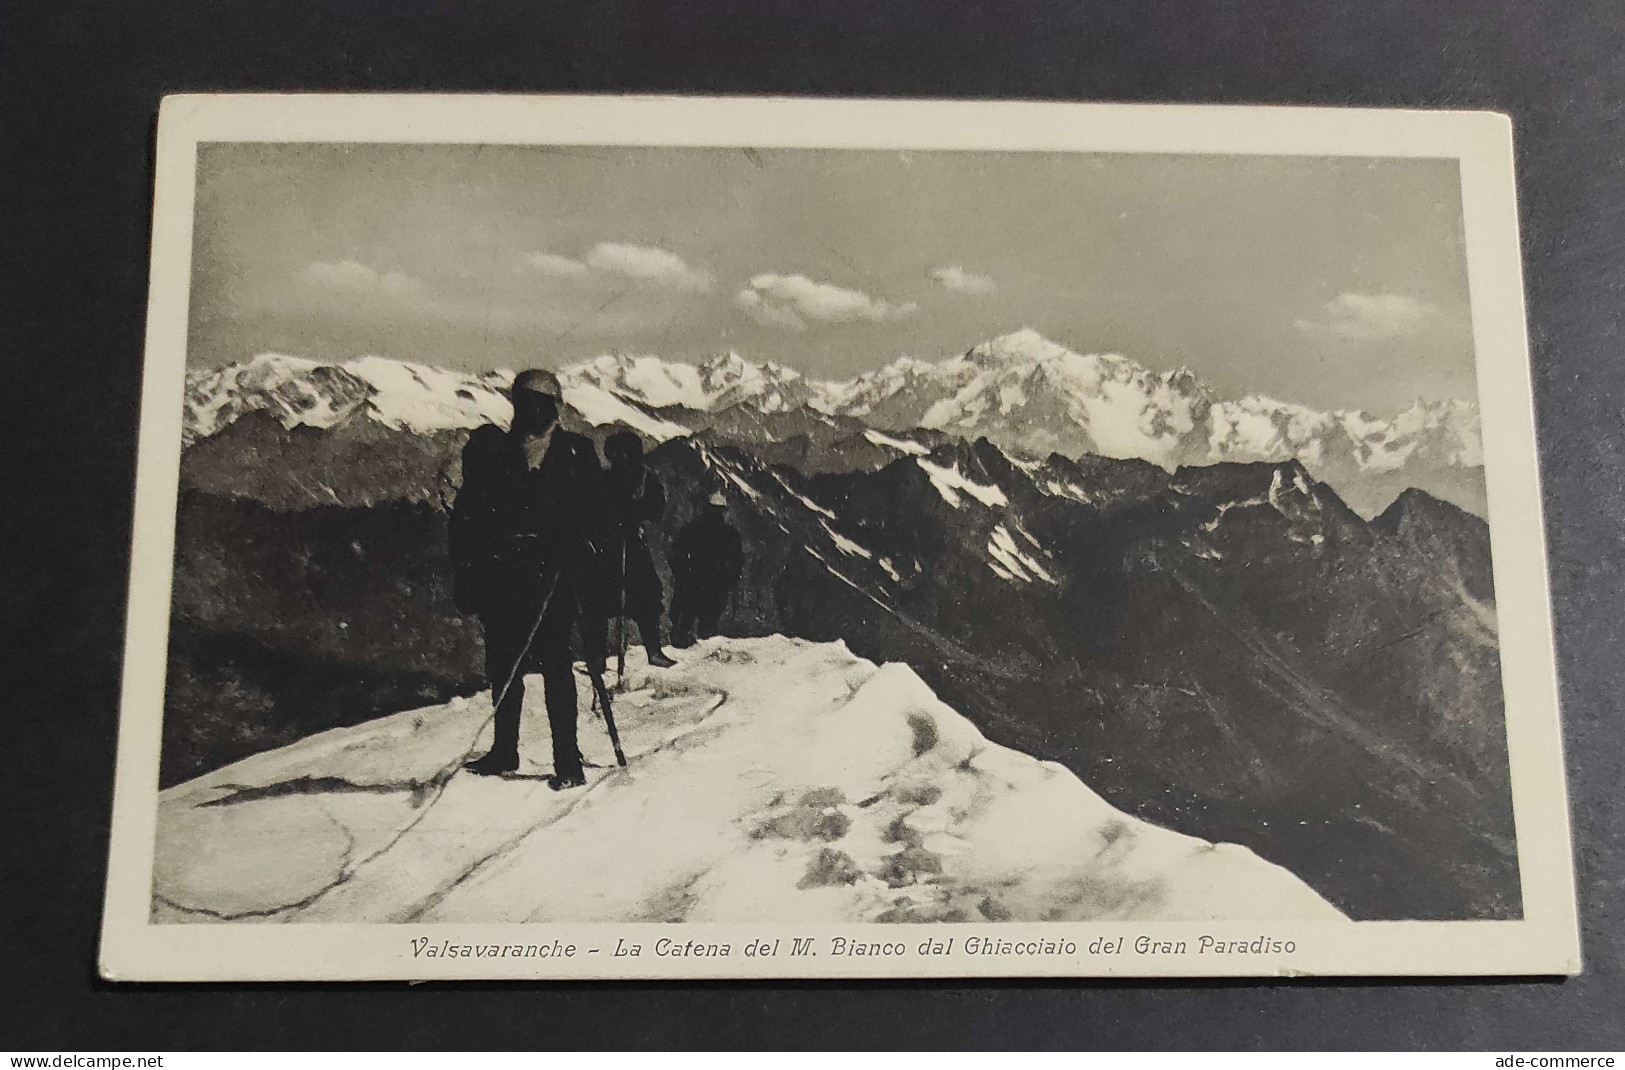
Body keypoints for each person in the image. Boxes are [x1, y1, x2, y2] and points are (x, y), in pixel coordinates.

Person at [448, 368, 601, 789]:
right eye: (525, 402)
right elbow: (471, 513)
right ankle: (504, 750)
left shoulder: (576, 453)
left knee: (555, 662)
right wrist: (467, 568)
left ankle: (567, 762)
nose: (531, 410)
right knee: (503, 662)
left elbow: (594, 513)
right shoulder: (493, 451)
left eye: (540, 403)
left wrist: (577, 552)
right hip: (504, 572)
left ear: (555, 408)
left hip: (553, 575)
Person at [594, 431, 676, 671]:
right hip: (608, 547)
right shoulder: (605, 479)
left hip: (632, 546)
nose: (623, 459)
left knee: (646, 598)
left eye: (627, 454)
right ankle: (597, 656)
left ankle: (653, 650)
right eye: (618, 455)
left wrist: (637, 509)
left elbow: (656, 510)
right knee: (598, 601)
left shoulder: (644, 480)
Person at [669, 491, 744, 648]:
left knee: (691, 620)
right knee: (704, 623)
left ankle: (685, 640)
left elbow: (676, 552)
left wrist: (682, 572)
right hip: (707, 582)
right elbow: (737, 561)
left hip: (700, 581)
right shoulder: (728, 534)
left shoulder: (694, 528)